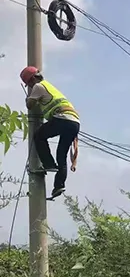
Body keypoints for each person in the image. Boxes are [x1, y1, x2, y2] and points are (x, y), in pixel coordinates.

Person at [20, 66, 80, 199]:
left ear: (33, 79)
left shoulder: (38, 86)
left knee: (39, 136)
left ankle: (48, 164)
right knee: (61, 155)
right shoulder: (49, 86)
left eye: (29, 82)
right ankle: (59, 185)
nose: (29, 85)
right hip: (74, 122)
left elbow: (30, 105)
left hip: (62, 118)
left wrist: (28, 98)